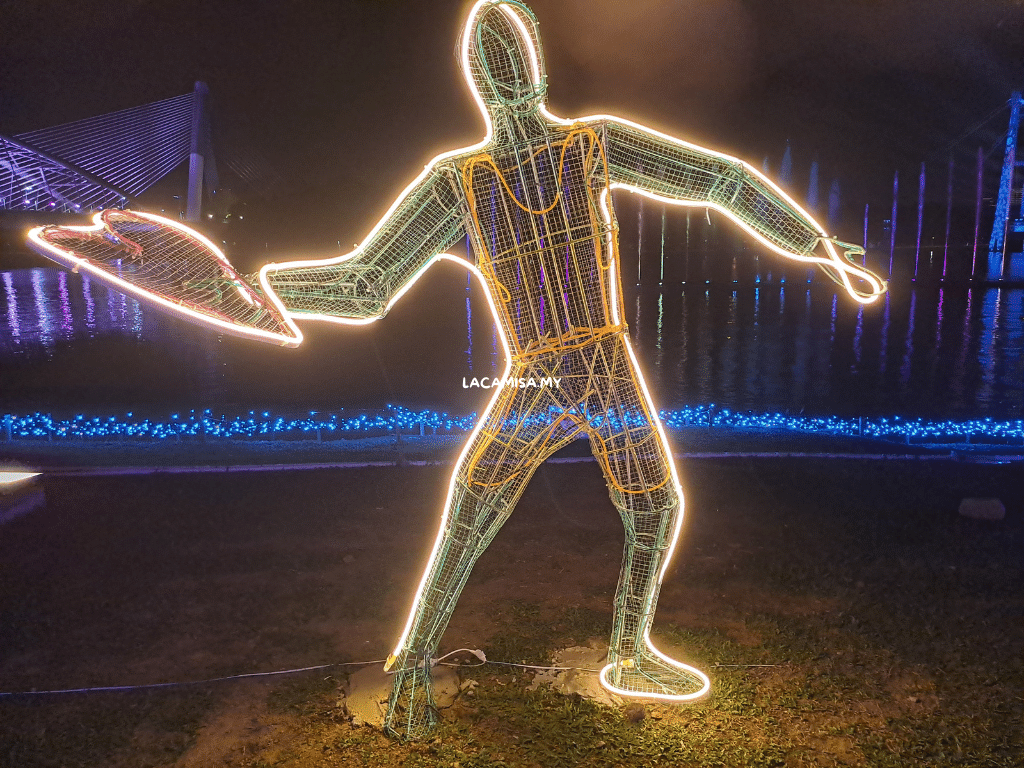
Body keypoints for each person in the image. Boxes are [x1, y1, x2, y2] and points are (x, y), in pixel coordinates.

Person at [29, 0, 885, 740]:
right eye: (495, 54)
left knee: (648, 507)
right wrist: (246, 285)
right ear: (483, 74)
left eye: (511, 50)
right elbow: (365, 285)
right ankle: (413, 664)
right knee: (477, 511)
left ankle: (628, 653)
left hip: (600, 362)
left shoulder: (589, 147)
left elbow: (723, 182)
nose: (507, 67)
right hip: (546, 372)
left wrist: (814, 242)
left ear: (529, 65)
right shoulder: (464, 184)